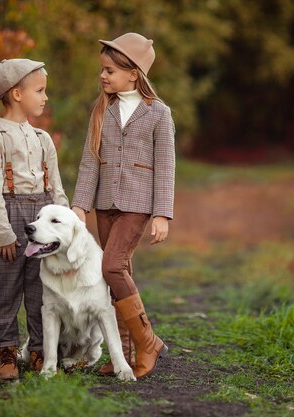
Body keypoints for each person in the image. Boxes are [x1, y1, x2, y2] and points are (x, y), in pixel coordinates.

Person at [71, 32, 175, 379]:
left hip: (137, 204)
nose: (103, 76)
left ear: (134, 74)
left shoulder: (158, 113)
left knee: (111, 267)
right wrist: (80, 206)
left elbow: (165, 167)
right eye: (102, 69)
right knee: (120, 275)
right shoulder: (103, 109)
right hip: (104, 204)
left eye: (110, 71)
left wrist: (162, 213)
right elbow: (90, 161)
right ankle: (125, 356)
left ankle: (148, 341)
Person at [0, 58, 69, 380]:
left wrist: (65, 227)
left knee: (40, 289)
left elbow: (56, 189)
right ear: (17, 94)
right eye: (40, 91)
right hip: (11, 215)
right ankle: (5, 351)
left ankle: (40, 350)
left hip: (43, 214)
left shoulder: (43, 139)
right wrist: (4, 234)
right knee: (7, 288)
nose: (45, 98)